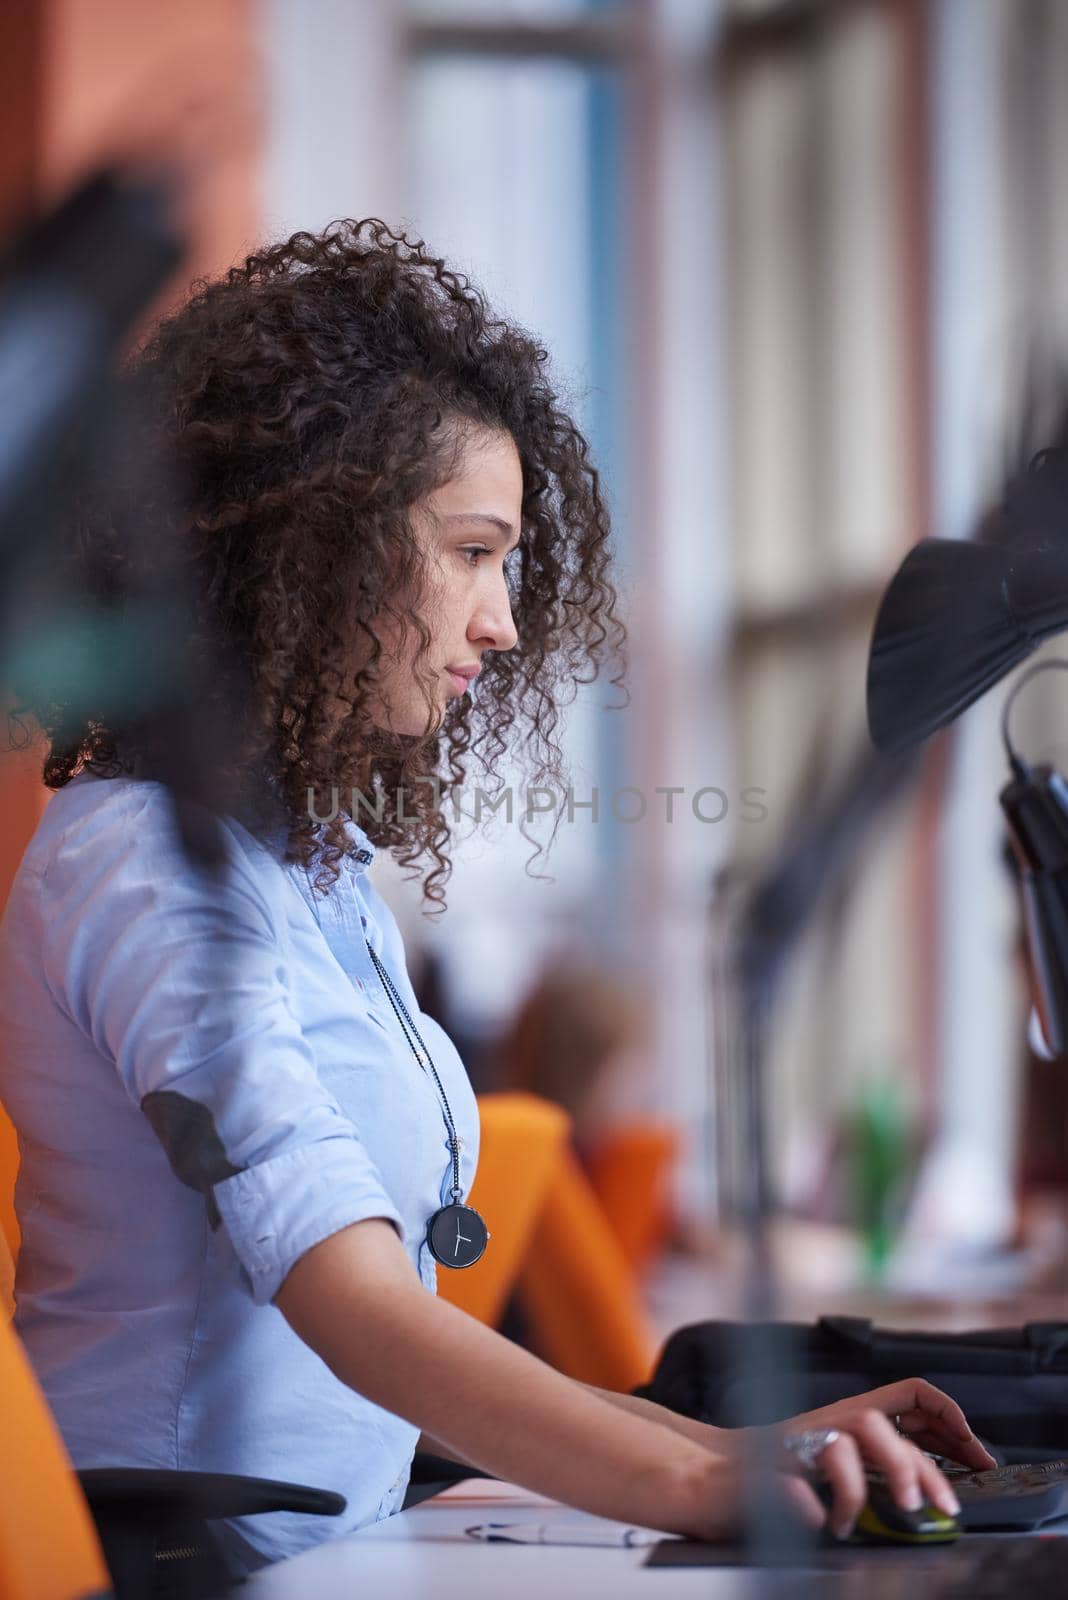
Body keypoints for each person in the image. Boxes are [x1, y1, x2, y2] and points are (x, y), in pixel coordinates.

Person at [0, 219, 995, 1584]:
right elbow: (353, 1307)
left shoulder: (320, 872)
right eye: (471, 551)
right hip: (188, 1565)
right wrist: (701, 1475)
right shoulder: (138, 865)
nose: (505, 621)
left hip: (345, 1542)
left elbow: (401, 1329)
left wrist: (736, 1442)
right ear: (315, 548)